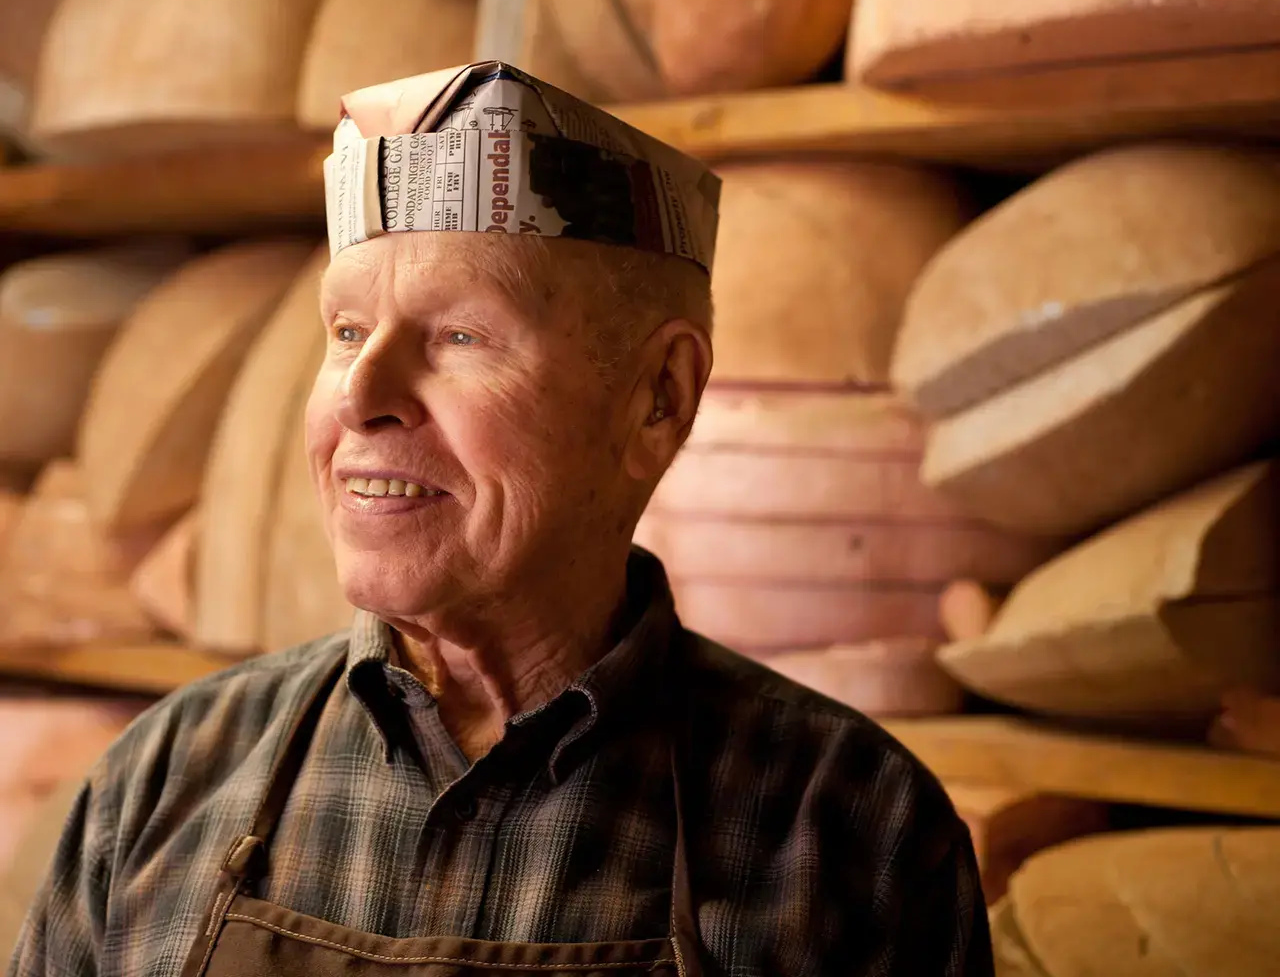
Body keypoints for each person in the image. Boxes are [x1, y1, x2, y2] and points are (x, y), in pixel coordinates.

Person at [9, 62, 993, 977]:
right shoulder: (159, 784)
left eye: (458, 336)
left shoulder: (849, 828)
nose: (361, 396)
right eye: (346, 333)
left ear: (658, 398)